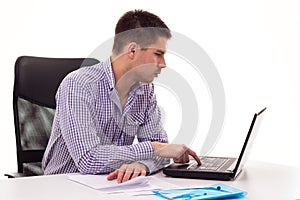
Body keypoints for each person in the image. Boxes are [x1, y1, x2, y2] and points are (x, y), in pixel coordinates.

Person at [42, 9, 201, 183]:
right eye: (158, 54)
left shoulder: (145, 91)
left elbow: (163, 153)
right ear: (132, 50)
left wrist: (142, 164)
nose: (163, 64)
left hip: (112, 186)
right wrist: (155, 148)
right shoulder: (78, 85)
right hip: (63, 186)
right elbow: (88, 159)